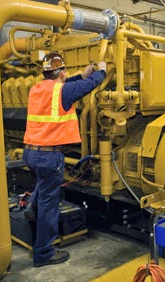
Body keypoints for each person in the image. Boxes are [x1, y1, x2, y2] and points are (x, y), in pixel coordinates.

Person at [23, 52, 106, 267]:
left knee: (42, 185)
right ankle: (44, 253)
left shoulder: (37, 88)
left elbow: (65, 86)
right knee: (50, 204)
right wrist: (103, 70)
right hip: (49, 155)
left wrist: (80, 74)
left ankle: (31, 209)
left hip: (30, 152)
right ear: (62, 72)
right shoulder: (63, 91)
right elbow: (87, 86)